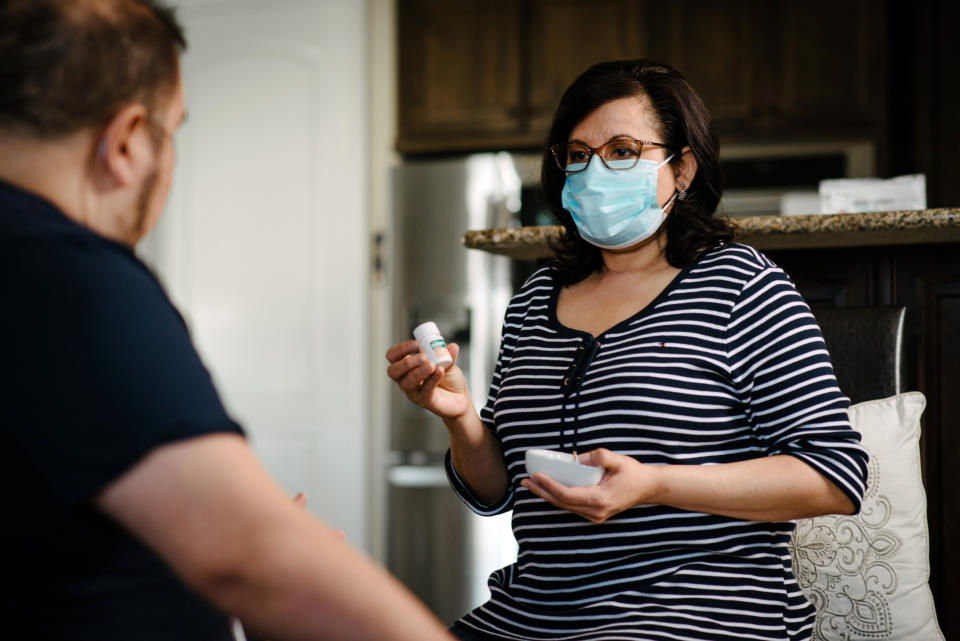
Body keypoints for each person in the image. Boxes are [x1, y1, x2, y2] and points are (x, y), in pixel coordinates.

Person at [0, 1, 453, 640]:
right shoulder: (70, 278)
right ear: (127, 142)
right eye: (172, 130)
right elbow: (257, 563)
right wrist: (275, 549)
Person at [386, 59, 869, 641]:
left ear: (682, 167)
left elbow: (835, 478)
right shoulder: (537, 298)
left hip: (696, 614)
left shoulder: (741, 285)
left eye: (622, 151)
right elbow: (496, 493)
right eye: (578, 153)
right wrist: (461, 417)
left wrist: (657, 483)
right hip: (534, 615)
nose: (595, 171)